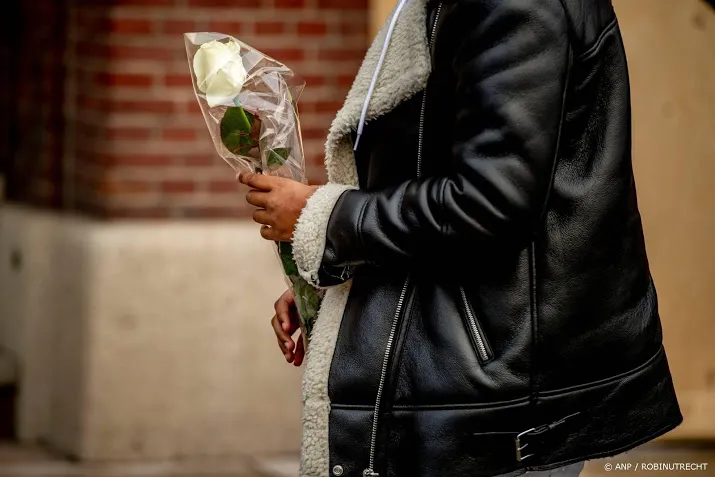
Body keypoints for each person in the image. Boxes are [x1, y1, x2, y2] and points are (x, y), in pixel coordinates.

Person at [238, 0, 682, 475]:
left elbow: (489, 202)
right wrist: (341, 280)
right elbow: (429, 172)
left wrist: (326, 218)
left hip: (499, 390)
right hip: (479, 377)